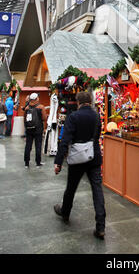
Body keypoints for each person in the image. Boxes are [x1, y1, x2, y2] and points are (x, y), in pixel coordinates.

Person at [53, 91, 106, 240]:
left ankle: (65, 212)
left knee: (71, 188)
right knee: (97, 190)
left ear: (78, 102)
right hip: (94, 157)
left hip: (77, 159)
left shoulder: (73, 117)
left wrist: (58, 162)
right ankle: (100, 226)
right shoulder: (96, 116)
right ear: (90, 101)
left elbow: (65, 140)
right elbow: (97, 136)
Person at [24, 93, 47, 168]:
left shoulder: (27, 108)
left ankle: (26, 163)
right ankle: (38, 163)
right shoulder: (41, 107)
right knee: (38, 146)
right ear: (36, 99)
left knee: (28, 146)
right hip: (38, 129)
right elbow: (44, 118)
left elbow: (25, 119)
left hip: (29, 130)